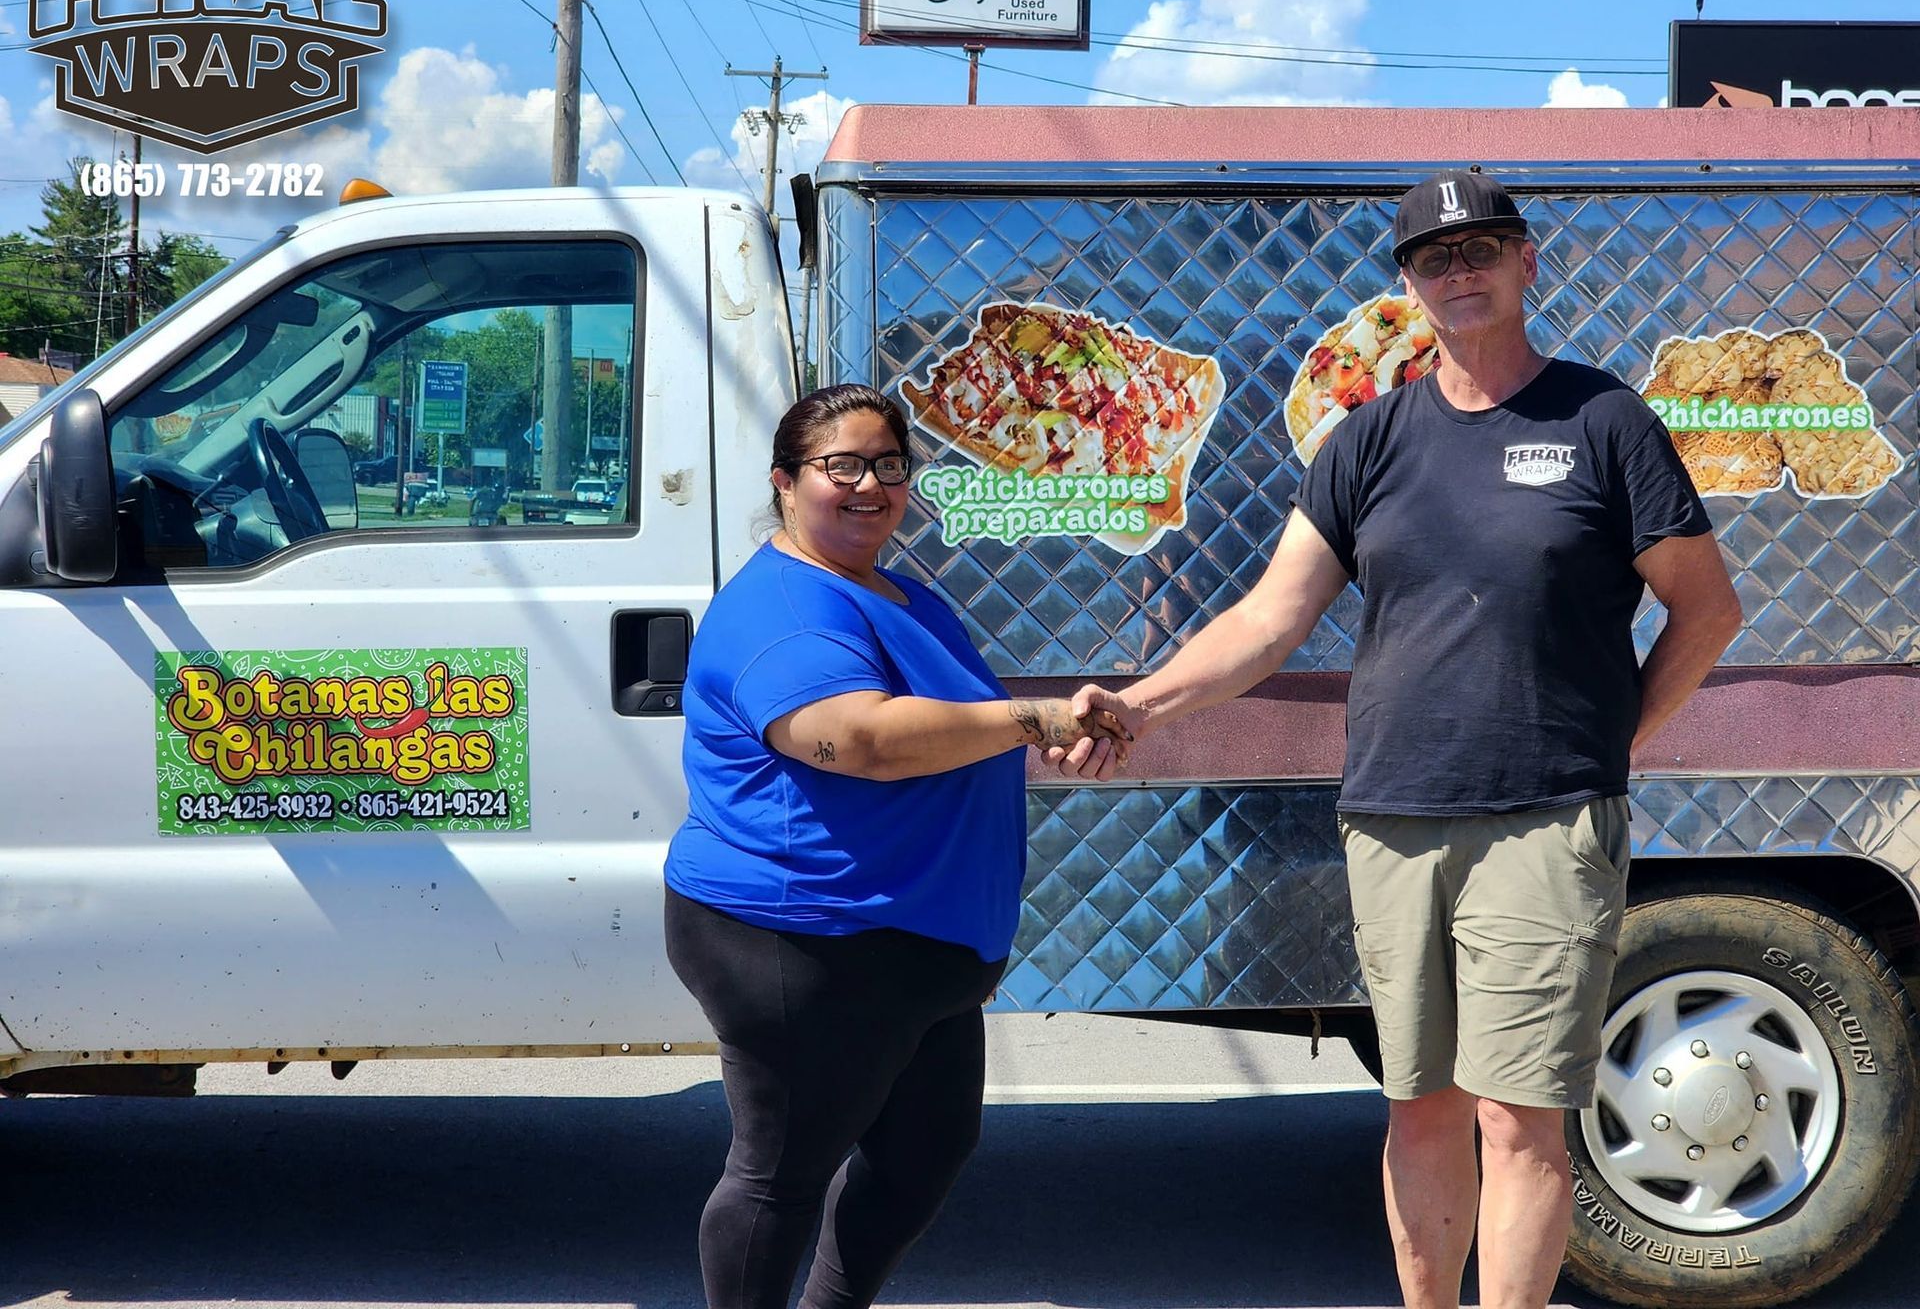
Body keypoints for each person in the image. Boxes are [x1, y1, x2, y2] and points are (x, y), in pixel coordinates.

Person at [1058, 171, 1742, 1309]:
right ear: (1408, 289)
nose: (1458, 271)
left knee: (1519, 1119)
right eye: (1434, 258)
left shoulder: (1604, 420)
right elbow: (1270, 620)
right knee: (1418, 1107)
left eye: (1481, 249)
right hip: (1392, 816)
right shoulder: (1365, 442)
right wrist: (1142, 701)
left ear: (1529, 263)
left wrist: (1612, 739)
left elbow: (1706, 607)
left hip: (1545, 818)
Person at [664, 383, 1130, 1309]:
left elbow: (947, 728)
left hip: (912, 942)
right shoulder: (784, 610)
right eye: (843, 465)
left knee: (922, 1155)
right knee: (779, 1175)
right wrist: (1033, 718)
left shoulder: (891, 591)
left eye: (889, 464)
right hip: (807, 938)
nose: (870, 484)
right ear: (786, 483)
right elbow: (864, 740)